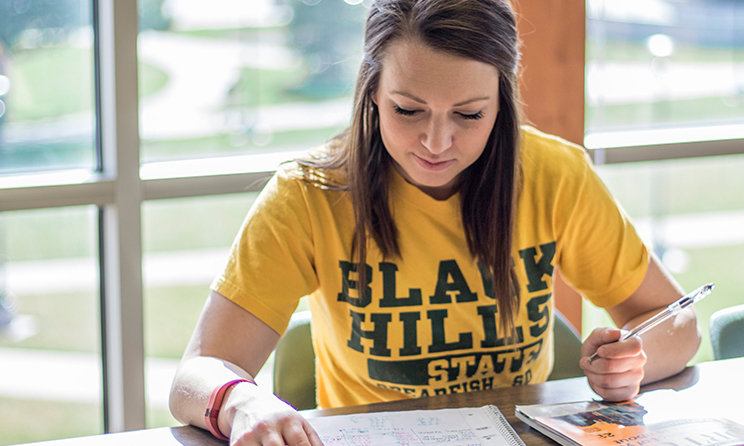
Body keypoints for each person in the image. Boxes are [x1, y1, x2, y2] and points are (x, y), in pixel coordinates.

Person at [169, 1, 701, 445]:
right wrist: (241, 401)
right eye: (408, 110)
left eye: (469, 114)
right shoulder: (309, 195)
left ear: (503, 98)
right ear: (373, 93)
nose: (437, 142)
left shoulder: (554, 175)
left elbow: (678, 325)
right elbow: (197, 374)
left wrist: (633, 358)